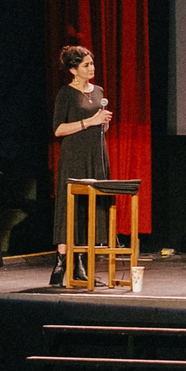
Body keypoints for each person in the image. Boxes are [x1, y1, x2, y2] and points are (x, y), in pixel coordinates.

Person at [48, 44, 113, 285]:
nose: (92, 68)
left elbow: (99, 123)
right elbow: (58, 129)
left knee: (91, 208)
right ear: (73, 69)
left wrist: (103, 123)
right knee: (71, 207)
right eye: (86, 65)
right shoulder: (66, 93)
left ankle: (81, 266)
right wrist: (90, 121)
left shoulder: (98, 91)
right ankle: (61, 260)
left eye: (92, 64)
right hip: (74, 156)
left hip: (96, 154)